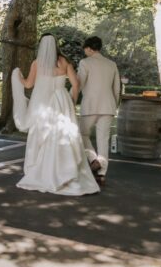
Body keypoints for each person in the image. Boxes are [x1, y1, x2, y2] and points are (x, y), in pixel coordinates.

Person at [10, 33, 100, 196]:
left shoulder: (37, 63)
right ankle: (68, 171)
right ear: (55, 45)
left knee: (42, 135)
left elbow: (29, 84)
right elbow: (75, 84)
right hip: (62, 101)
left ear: (41, 46)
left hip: (44, 105)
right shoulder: (64, 61)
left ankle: (42, 171)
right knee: (65, 134)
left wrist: (18, 77)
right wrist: (71, 101)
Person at [77, 36, 121, 188]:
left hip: (90, 106)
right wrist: (113, 105)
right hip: (108, 106)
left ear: (89, 48)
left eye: (85, 49)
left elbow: (79, 84)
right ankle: (101, 175)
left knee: (81, 134)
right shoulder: (111, 64)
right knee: (103, 140)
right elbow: (117, 88)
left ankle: (93, 159)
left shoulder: (85, 62)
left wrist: (69, 97)